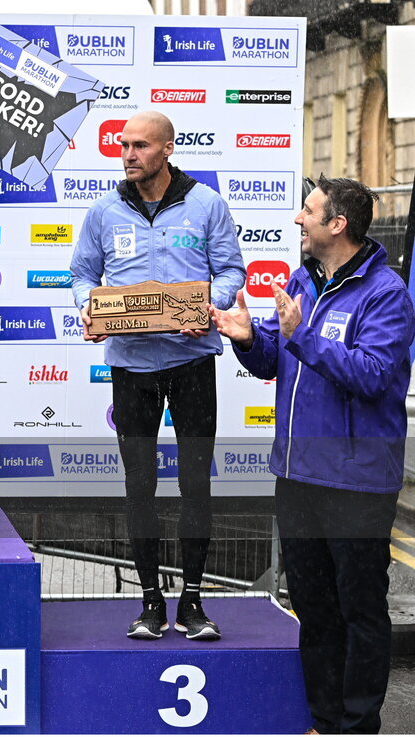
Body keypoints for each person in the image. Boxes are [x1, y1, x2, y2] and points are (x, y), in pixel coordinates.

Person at [211, 176, 413, 733]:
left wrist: (300, 339)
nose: (298, 220)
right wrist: (249, 338)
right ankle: (324, 721)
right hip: (297, 476)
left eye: (308, 211)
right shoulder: (303, 278)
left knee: (360, 611)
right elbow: (279, 357)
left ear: (337, 224)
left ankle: (357, 725)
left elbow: (373, 376)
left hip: (356, 482)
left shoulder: (386, 293)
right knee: (315, 609)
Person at [70, 110, 245, 640]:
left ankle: (191, 602)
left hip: (192, 362)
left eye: (140, 146)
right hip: (131, 367)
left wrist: (202, 308)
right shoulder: (103, 211)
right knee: (139, 485)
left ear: (167, 149)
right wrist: (89, 310)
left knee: (194, 484)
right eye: (124, 145)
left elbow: (232, 271)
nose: (128, 155)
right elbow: (82, 275)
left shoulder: (206, 203)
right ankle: (149, 602)